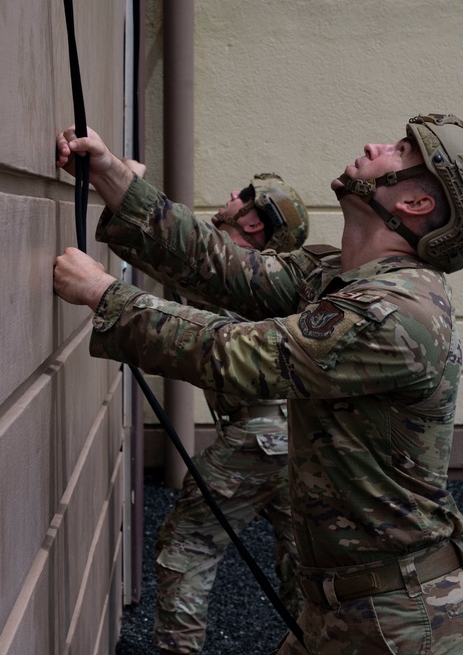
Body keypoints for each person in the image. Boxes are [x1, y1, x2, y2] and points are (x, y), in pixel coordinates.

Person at [53, 114, 463, 654]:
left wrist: (107, 297)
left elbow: (240, 353)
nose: (375, 143)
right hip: (355, 606)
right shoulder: (339, 279)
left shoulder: (394, 312)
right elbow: (225, 266)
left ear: (414, 204)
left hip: (406, 625)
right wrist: (113, 178)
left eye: (401, 149)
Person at [122, 167, 309, 655]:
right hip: (303, 439)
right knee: (306, 563)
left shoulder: (233, 272)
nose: (231, 195)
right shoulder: (269, 278)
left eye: (244, 196)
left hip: (262, 434)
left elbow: (165, 245)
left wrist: (124, 183)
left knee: (188, 545)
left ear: (253, 224)